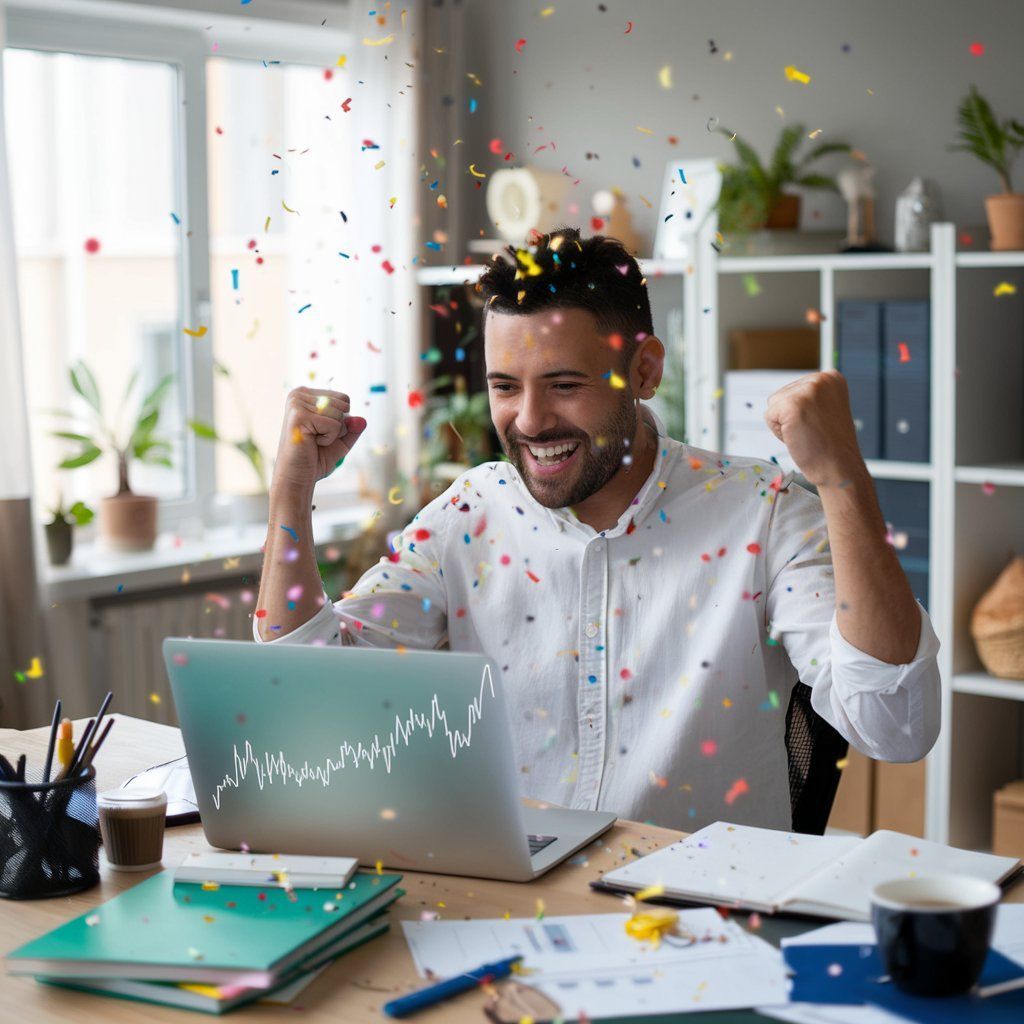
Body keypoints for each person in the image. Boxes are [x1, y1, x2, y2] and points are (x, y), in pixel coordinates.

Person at [254, 228, 940, 832]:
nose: (527, 421)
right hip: (509, 907)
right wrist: (291, 492)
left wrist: (842, 478)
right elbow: (310, 688)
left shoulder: (762, 511)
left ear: (643, 370)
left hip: (696, 926)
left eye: (563, 384)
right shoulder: (469, 515)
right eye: (504, 386)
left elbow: (896, 724)